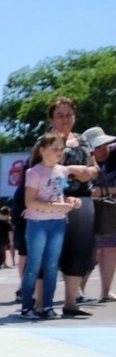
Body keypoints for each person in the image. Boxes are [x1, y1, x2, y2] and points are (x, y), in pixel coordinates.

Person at [20, 133, 85, 320]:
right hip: (37, 223)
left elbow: (59, 194)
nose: (59, 152)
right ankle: (27, 307)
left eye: (61, 149)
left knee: (51, 265)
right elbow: (30, 202)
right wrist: (58, 207)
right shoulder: (34, 172)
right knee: (34, 265)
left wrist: (71, 201)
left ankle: (47, 306)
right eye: (54, 148)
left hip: (58, 222)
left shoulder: (62, 171)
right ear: (42, 150)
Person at [48, 98, 100, 315]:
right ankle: (42, 302)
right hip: (56, 200)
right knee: (52, 252)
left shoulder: (83, 140)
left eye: (69, 114)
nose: (65, 119)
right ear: (51, 119)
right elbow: (42, 168)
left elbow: (95, 165)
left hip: (84, 200)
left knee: (80, 251)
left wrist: (90, 171)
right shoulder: (46, 140)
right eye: (60, 115)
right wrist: (72, 170)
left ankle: (70, 302)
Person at [81, 126, 116, 302]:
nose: (104, 150)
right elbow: (84, 191)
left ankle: (106, 292)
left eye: (105, 145)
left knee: (111, 249)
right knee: (90, 251)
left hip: (111, 212)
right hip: (88, 211)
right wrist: (112, 190)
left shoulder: (114, 154)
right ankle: (78, 291)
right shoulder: (81, 161)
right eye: (98, 147)